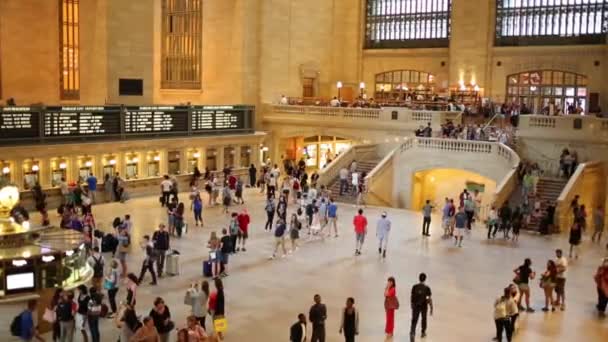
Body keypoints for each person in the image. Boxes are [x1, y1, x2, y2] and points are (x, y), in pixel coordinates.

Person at [410, 273, 433, 340]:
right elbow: (428, 298)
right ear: (425, 279)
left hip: (415, 306)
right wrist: (431, 308)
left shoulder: (414, 287)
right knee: (424, 319)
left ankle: (412, 333)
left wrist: (412, 304)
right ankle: (423, 332)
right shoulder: (427, 288)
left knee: (414, 320)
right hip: (424, 306)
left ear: (419, 278)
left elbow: (412, 296)